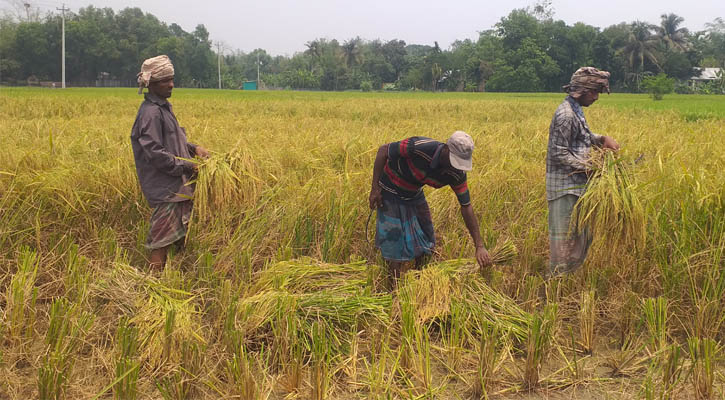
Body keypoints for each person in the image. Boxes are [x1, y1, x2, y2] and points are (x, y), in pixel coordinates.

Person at [369, 131, 492, 286]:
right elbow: (383, 151)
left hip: (413, 192)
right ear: (446, 149)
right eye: (455, 160)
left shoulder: (456, 174)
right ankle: (394, 288)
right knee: (394, 243)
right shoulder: (419, 147)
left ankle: (419, 279)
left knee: (427, 240)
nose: (456, 167)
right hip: (391, 188)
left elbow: (466, 206)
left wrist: (479, 246)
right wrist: (375, 189)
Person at [130, 55, 209, 270]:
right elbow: (155, 152)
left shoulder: (163, 108)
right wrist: (187, 166)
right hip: (166, 189)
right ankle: (153, 286)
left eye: (172, 79)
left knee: (177, 236)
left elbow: (175, 140)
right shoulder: (151, 113)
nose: (171, 84)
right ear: (152, 84)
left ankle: (176, 275)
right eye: (165, 80)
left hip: (177, 187)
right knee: (161, 241)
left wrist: (194, 149)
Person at [546, 66, 620, 277]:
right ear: (582, 90)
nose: (596, 97)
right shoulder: (565, 115)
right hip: (564, 188)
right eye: (594, 92)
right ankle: (554, 288)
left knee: (583, 237)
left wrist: (601, 139)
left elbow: (580, 137)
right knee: (563, 244)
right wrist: (591, 168)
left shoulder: (576, 110)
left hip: (577, 186)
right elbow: (558, 153)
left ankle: (566, 279)